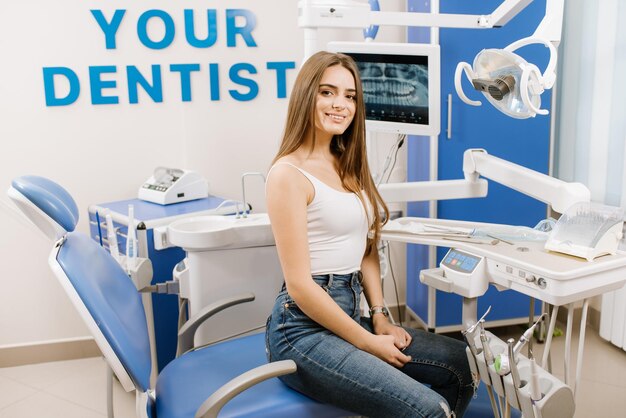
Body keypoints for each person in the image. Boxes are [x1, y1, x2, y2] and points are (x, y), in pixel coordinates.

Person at [265, 51, 474, 418]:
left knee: (463, 366)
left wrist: (380, 317)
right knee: (428, 410)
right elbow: (299, 285)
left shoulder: (348, 164)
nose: (340, 105)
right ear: (306, 96)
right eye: (327, 92)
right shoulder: (288, 175)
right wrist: (368, 342)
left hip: (351, 310)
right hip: (301, 329)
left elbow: (367, 250)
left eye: (350, 96)